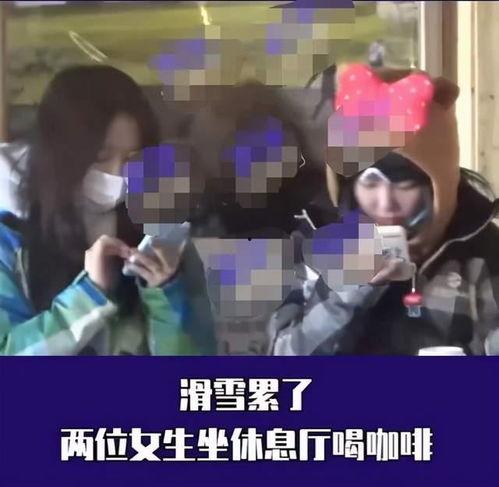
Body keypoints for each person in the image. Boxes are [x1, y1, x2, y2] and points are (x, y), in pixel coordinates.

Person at [268, 65, 499, 356]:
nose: (385, 201)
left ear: (436, 186)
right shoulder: (313, 242)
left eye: (404, 183)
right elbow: (284, 357)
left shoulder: (479, 247)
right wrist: (346, 290)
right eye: (370, 181)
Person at [0, 65, 215, 355]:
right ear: (59, 154)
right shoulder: (10, 245)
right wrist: (90, 295)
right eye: (102, 156)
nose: (118, 174)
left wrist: (167, 293)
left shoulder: (162, 241)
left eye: (132, 158)